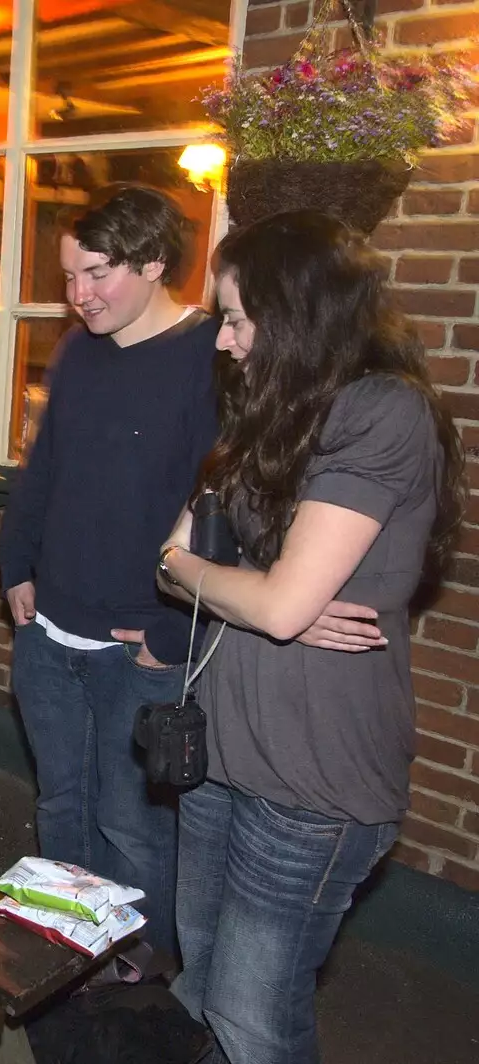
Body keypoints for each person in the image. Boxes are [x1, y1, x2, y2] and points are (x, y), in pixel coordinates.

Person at [157, 211, 462, 1064]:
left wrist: (227, 584)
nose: (223, 341)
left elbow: (281, 607)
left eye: (238, 318)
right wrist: (235, 588)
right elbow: (171, 561)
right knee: (201, 985)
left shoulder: (382, 413)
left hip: (312, 776)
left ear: (299, 315)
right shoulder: (271, 412)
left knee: (253, 1014)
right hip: (222, 754)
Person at [0, 184, 218, 969]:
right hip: (47, 632)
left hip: (138, 647)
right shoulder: (78, 350)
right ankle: (66, 967)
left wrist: (172, 629)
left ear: (156, 262)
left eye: (96, 275)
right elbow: (44, 465)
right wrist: (14, 563)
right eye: (67, 277)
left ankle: (136, 982)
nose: (77, 296)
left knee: (134, 828)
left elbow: (224, 511)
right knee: (60, 805)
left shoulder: (211, 357)